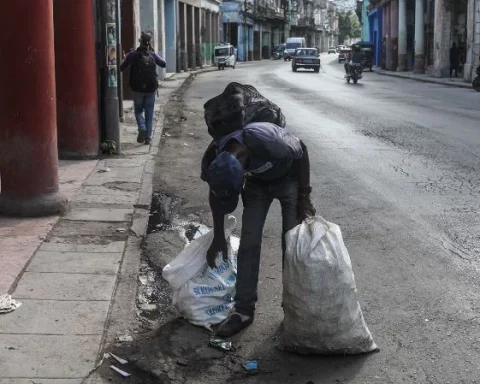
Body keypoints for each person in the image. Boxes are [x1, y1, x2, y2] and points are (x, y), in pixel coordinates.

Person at [201, 121, 316, 337]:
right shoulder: (214, 157)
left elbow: (302, 150)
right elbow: (217, 193)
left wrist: (304, 195)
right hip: (257, 185)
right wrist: (218, 238)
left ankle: (294, 311)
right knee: (249, 242)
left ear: (243, 164)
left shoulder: (270, 142)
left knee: (291, 245)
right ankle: (243, 311)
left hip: (289, 178)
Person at [120, 32, 166, 145]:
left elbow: (122, 68)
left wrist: (124, 58)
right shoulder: (152, 55)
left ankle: (141, 125)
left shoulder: (133, 54)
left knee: (138, 111)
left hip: (137, 89)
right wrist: (154, 54)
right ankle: (148, 138)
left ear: (140, 41)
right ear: (149, 42)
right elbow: (164, 64)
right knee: (149, 113)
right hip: (151, 89)